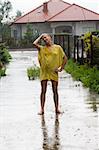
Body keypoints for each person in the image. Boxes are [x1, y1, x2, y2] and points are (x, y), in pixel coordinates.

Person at [33, 33, 67, 115]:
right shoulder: (42, 48)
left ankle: (56, 108)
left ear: (50, 37)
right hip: (44, 72)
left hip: (53, 72)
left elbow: (65, 58)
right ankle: (42, 109)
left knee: (55, 90)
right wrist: (40, 36)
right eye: (43, 38)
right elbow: (34, 44)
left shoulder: (57, 48)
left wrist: (61, 68)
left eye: (46, 37)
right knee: (43, 90)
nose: (45, 39)